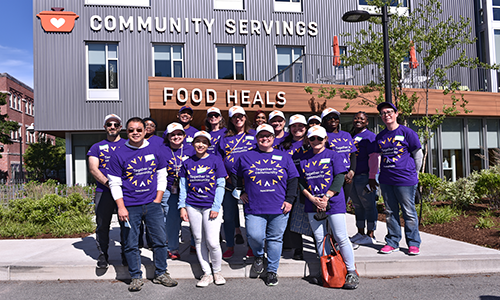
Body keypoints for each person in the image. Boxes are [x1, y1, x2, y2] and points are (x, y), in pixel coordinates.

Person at [107, 117, 178, 292]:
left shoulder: (156, 149)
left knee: (160, 241)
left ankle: (161, 273)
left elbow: (162, 176)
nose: (135, 133)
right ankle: (136, 277)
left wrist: (158, 199)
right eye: (131, 130)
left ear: (145, 131)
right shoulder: (119, 153)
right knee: (131, 243)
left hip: (152, 204)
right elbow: (114, 183)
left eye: (139, 129)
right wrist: (121, 207)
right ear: (126, 131)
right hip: (130, 206)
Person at [232, 124, 299, 286]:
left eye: (268, 136)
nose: (265, 138)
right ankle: (259, 255)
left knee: (275, 239)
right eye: (261, 136)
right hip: (254, 206)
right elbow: (235, 173)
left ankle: (272, 271)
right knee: (255, 236)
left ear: (273, 138)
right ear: (256, 139)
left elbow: (293, 179)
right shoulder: (246, 157)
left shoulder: (283, 156)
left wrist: (290, 199)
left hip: (279, 206)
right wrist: (240, 191)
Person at [298, 125, 359, 289]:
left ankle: (351, 271)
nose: (315, 141)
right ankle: (326, 270)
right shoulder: (304, 158)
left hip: (333, 202)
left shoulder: (334, 155)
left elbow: (340, 177)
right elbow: (301, 182)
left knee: (340, 236)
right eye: (312, 138)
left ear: (325, 139)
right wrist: (312, 199)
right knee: (320, 238)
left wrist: (326, 197)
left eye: (319, 138)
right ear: (308, 140)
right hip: (313, 204)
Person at [178, 131, 227, 287]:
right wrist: (182, 206)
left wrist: (216, 206)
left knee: (212, 242)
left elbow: (221, 185)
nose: (200, 144)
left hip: (211, 206)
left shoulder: (216, 160)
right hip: (192, 205)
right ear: (193, 144)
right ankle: (207, 273)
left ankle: (217, 271)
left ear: (208, 145)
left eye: (204, 142)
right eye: (197, 141)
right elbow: (183, 187)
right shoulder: (187, 163)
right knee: (199, 240)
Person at [375, 102, 423, 256]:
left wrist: (415, 173)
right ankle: (392, 241)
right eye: (383, 113)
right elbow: (377, 157)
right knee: (390, 211)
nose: (386, 115)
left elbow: (418, 154)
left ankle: (413, 243)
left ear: (396, 114)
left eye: (389, 112)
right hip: (387, 180)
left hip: (405, 180)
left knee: (409, 212)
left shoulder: (407, 133)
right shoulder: (381, 136)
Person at [87, 114, 126, 269]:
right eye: (109, 124)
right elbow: (93, 168)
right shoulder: (96, 147)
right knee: (103, 224)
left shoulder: (128, 144)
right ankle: (103, 255)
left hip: (125, 192)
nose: (112, 127)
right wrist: (110, 184)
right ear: (105, 127)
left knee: (126, 224)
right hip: (103, 191)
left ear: (120, 127)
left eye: (115, 124)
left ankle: (126, 254)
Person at [216, 106, 256, 259]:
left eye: (241, 116)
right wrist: (225, 176)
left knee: (250, 215)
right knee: (229, 215)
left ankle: (252, 246)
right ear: (231, 120)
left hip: (250, 182)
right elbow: (218, 159)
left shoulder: (254, 135)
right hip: (229, 182)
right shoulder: (225, 137)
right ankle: (230, 246)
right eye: (234, 117)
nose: (238, 119)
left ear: (245, 117)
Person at [161, 122, 195, 260]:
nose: (176, 137)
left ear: (184, 135)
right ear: (168, 137)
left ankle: (195, 244)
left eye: (179, 134)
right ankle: (173, 248)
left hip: (191, 188)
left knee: (194, 217)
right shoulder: (162, 150)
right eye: (173, 135)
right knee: (172, 219)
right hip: (170, 189)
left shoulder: (191, 149)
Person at [279, 114, 309, 260]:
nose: (297, 129)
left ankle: (320, 247)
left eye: (300, 126)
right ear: (289, 128)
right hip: (289, 186)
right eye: (294, 126)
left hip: (309, 186)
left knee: (310, 217)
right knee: (291, 217)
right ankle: (297, 248)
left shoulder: (312, 142)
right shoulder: (284, 145)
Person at [349, 112, 380, 245]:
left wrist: (372, 177)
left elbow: (374, 158)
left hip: (365, 177)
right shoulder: (351, 136)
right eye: (356, 118)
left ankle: (370, 234)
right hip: (352, 177)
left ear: (367, 122)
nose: (358, 120)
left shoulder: (370, 137)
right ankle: (360, 232)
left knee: (369, 206)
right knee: (358, 206)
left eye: (362, 119)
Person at [321, 108, 357, 202]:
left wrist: (352, 172)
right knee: (333, 202)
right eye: (329, 118)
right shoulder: (322, 136)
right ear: (324, 122)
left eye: (335, 117)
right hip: (333, 176)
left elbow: (352, 155)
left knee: (344, 203)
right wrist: (340, 175)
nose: (333, 120)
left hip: (348, 176)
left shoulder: (346, 135)